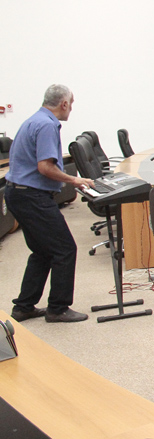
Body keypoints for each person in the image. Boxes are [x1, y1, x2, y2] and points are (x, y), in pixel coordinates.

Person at [6, 84, 94, 323]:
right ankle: (58, 308)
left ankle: (24, 306)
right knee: (64, 249)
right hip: (31, 197)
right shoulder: (47, 125)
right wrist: (74, 180)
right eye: (71, 104)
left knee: (42, 252)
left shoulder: (34, 119)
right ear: (64, 104)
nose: (71, 109)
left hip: (18, 194)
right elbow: (45, 167)